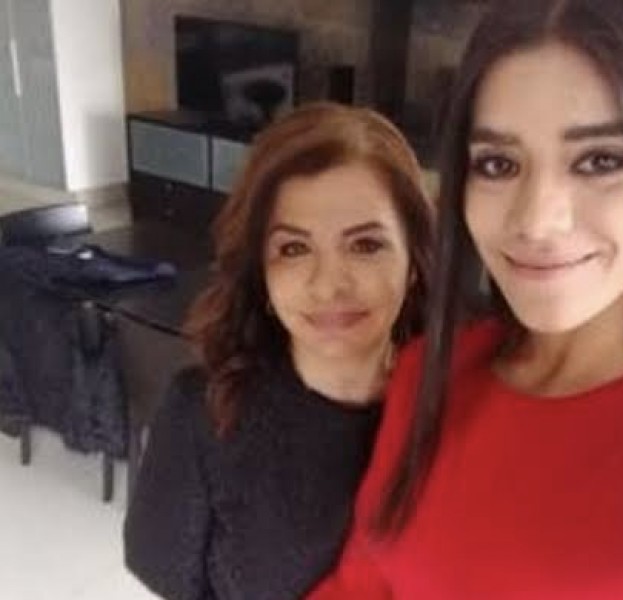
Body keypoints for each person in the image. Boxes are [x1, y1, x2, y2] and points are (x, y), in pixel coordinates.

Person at [307, 1, 623, 598]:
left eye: (600, 161)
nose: (537, 221)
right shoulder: (429, 372)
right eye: (498, 164)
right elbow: (360, 585)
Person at [123, 102, 434, 600]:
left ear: (413, 260)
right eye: (294, 248)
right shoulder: (205, 412)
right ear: (261, 273)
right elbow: (159, 566)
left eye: (365, 245)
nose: (329, 285)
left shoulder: (452, 409)